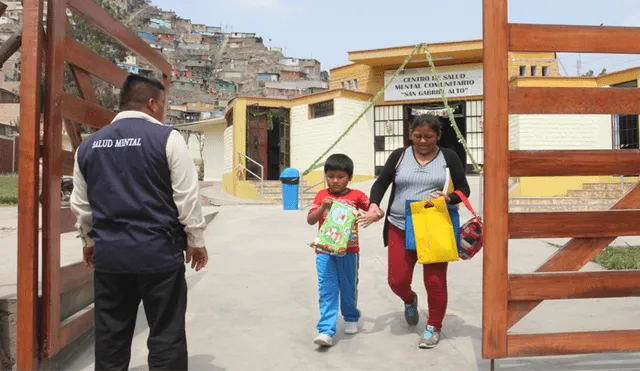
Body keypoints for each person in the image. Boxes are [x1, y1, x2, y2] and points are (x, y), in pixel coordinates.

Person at [70, 74, 208, 370]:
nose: (164, 110)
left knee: (110, 338)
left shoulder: (88, 146)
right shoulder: (168, 139)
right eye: (163, 103)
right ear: (151, 103)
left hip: (111, 259)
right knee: (166, 336)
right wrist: (196, 241)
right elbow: (187, 198)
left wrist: (89, 242)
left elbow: (81, 206)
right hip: (159, 256)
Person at [359, 114, 470, 349]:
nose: (422, 141)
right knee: (397, 280)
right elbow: (381, 183)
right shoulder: (399, 156)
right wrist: (374, 204)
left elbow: (464, 189)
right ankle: (410, 300)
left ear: (438, 136)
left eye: (429, 136)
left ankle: (434, 326)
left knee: (435, 281)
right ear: (410, 135)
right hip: (399, 225)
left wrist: (448, 197)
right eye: (417, 136)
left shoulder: (448, 157)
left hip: (433, 226)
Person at [306, 154, 380, 347]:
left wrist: (375, 215)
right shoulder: (322, 196)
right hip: (324, 250)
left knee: (348, 286)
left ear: (350, 177)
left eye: (340, 176)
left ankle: (351, 316)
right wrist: (322, 207)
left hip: (349, 251)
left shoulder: (357, 196)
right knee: (326, 288)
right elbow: (310, 219)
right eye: (330, 176)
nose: (335, 180)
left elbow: (374, 208)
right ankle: (326, 330)